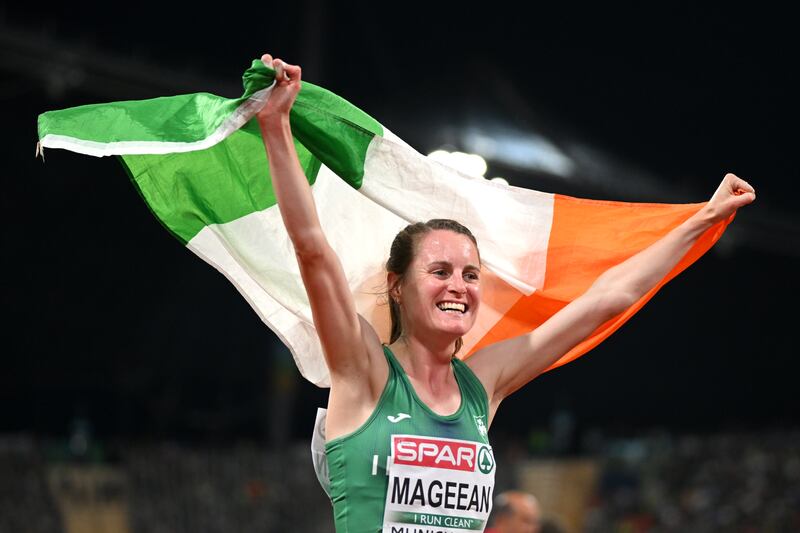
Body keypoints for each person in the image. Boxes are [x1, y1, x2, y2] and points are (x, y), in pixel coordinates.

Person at [256, 53, 755, 533]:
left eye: (471, 275)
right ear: (397, 285)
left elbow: (609, 297)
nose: (458, 286)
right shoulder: (363, 368)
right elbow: (313, 251)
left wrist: (703, 219)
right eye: (440, 271)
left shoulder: (483, 383)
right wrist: (276, 126)